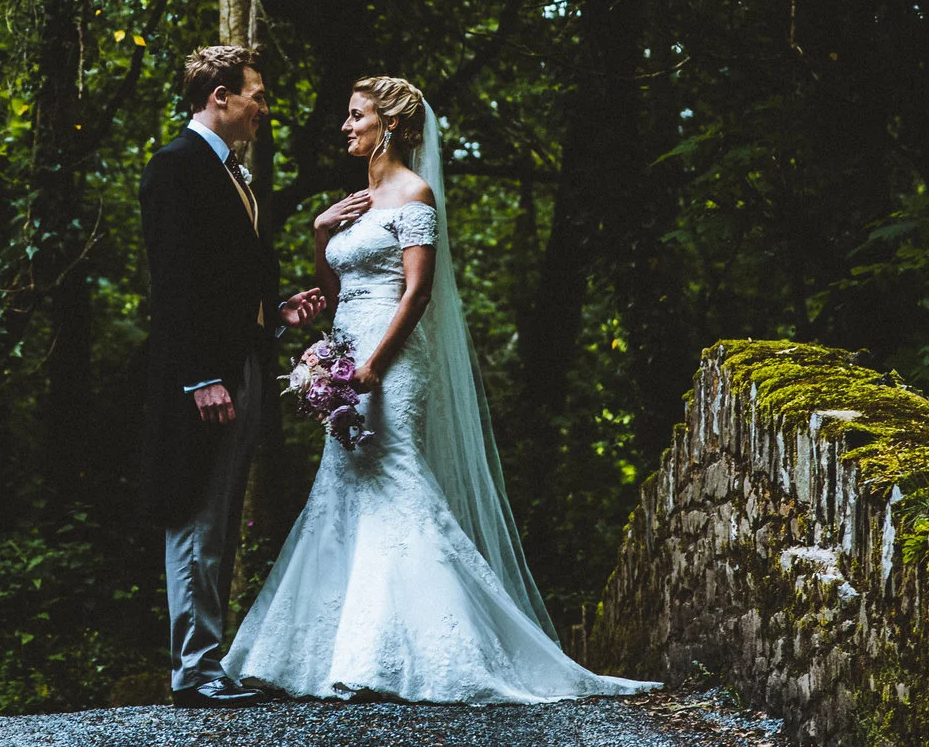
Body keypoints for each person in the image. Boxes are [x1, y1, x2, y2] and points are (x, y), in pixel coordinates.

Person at [222, 76, 657, 703]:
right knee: (342, 487)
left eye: (355, 116)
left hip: (391, 360)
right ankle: (336, 651)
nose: (345, 126)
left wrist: (376, 362)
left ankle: (422, 651)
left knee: (394, 479)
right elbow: (338, 288)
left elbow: (418, 292)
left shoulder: (413, 194)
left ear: (388, 126)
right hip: (346, 352)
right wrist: (321, 235)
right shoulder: (356, 200)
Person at [138, 45, 329, 708]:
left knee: (218, 519)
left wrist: (276, 316)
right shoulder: (176, 166)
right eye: (258, 95)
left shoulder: (235, 176)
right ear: (219, 94)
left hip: (241, 363)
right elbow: (175, 283)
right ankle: (194, 670)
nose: (264, 109)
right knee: (195, 513)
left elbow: (224, 283)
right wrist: (197, 376)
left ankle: (206, 660)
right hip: (202, 377)